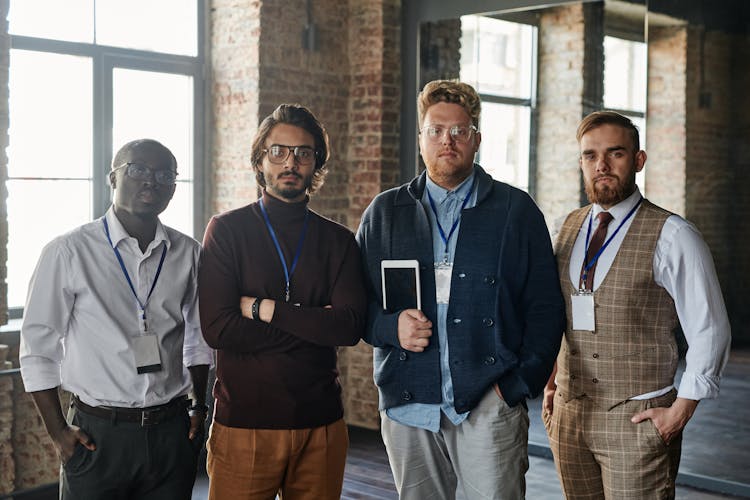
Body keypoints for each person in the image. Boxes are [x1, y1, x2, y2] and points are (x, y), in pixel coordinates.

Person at [356, 79, 565, 499]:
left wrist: (517, 385)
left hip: (489, 400)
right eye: (435, 130)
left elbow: (545, 308)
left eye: (459, 131)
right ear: (420, 139)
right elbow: (355, 303)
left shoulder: (515, 211)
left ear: (476, 140)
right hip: (408, 401)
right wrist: (388, 327)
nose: (446, 141)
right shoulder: (385, 212)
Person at [542, 111, 732, 499]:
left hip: (638, 419)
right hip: (569, 417)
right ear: (581, 162)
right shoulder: (567, 226)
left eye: (616, 154)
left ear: (639, 160)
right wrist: (550, 384)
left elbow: (711, 329)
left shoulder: (674, 235)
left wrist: (679, 412)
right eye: (590, 155)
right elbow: (557, 314)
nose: (602, 166)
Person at [19, 139, 212, 500]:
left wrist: (198, 407)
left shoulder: (188, 253)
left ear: (173, 186)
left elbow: (199, 338)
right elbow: (38, 350)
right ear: (113, 178)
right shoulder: (69, 252)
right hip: (98, 436)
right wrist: (59, 432)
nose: (151, 181)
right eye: (138, 170)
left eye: (164, 174)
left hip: (171, 431)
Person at [198, 103, 367, 500]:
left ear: (316, 164)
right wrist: (314, 325)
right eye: (279, 151)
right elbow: (218, 329)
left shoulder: (338, 241)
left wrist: (263, 309)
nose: (291, 162)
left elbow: (348, 327)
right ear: (260, 159)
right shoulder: (226, 231)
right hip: (244, 426)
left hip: (321, 425)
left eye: (303, 153)